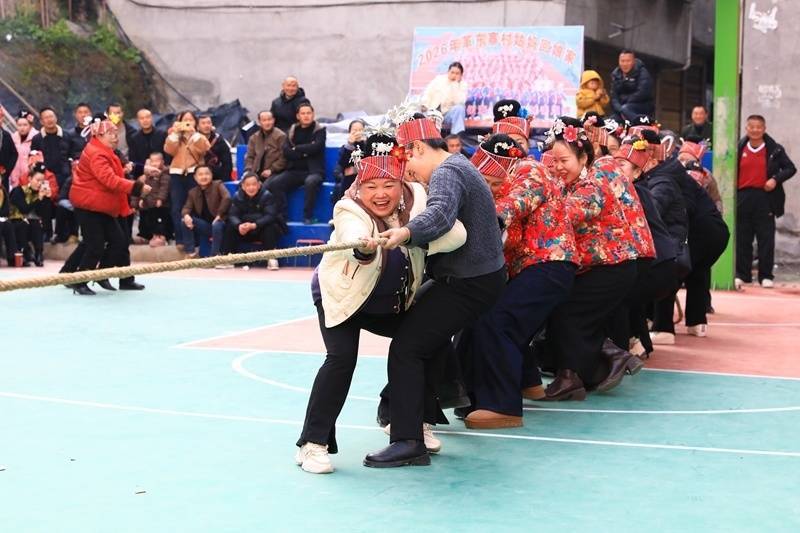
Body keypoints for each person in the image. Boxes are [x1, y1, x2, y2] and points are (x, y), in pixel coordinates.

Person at [295, 132, 467, 474]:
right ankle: (312, 444)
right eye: (371, 186)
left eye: (388, 184)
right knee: (341, 360)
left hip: (390, 302)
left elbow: (456, 234)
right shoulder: (348, 208)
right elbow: (350, 236)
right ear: (359, 186)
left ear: (401, 181)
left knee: (430, 341)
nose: (381, 194)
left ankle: (410, 420)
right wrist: (362, 247)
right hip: (344, 297)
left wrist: (416, 236)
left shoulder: (417, 198)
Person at [363, 112, 506, 468]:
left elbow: (440, 214)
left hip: (468, 282)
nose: (408, 171)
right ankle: (419, 421)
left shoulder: (447, 171)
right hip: (475, 277)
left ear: (417, 148)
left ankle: (408, 440)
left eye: (407, 160)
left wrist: (406, 232)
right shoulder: (460, 165)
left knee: (407, 348)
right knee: (422, 337)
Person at [457, 134, 577, 429]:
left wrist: (487, 219)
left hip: (548, 262)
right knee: (485, 317)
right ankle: (521, 384)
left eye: (492, 182)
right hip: (531, 267)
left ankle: (502, 406)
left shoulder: (527, 169)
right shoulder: (498, 190)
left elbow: (518, 201)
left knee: (499, 322)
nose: (489, 188)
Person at [540, 117, 639, 401]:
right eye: (554, 161)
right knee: (568, 313)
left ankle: (575, 374)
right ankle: (604, 362)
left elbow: (567, 214)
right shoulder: (569, 185)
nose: (559, 167)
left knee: (567, 312)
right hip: (600, 266)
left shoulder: (591, 186)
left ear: (583, 158)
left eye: (564, 160)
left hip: (612, 267)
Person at [67, 117, 150, 296]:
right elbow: (109, 180)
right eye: (110, 133)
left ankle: (101, 274)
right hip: (89, 205)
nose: (115, 136)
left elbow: (119, 172)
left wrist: (141, 172)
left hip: (101, 204)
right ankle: (79, 281)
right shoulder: (97, 153)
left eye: (115, 133)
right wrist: (137, 187)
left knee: (118, 241)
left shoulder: (104, 150)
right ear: (99, 135)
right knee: (95, 245)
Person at [735, 114, 796, 289]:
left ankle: (766, 276)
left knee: (766, 239)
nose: (755, 130)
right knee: (743, 239)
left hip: (765, 198)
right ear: (746, 128)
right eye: (751, 127)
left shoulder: (775, 149)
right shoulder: (739, 147)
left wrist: (775, 180)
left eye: (758, 127)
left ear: (764, 128)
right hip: (743, 197)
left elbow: (790, 168)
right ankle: (743, 275)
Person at [266, 103, 326, 225]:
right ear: (298, 116)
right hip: (294, 170)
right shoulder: (292, 131)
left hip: (313, 171)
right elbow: (286, 152)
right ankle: (282, 216)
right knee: (275, 184)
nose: (306, 116)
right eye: (303, 113)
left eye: (308, 113)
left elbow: (316, 147)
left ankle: (308, 216)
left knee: (311, 182)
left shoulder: (320, 130)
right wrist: (305, 152)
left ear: (313, 114)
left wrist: (297, 148)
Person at [164, 110, 211, 247]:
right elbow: (169, 150)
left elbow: (204, 149)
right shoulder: (174, 136)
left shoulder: (199, 136)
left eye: (190, 120)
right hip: (177, 173)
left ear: (195, 122)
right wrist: (175, 134)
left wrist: (193, 134)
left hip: (194, 173)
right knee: (176, 207)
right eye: (185, 120)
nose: (187, 122)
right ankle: (180, 239)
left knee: (195, 206)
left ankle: (195, 240)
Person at [225, 171, 286, 270]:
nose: (251, 188)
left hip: (260, 229)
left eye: (254, 184)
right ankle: (227, 257)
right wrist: (239, 225)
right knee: (230, 226)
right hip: (244, 230)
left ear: (259, 185)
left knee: (271, 226)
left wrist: (254, 225)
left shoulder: (267, 196)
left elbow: (270, 215)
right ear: (243, 186)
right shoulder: (237, 196)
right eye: (248, 185)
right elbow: (232, 215)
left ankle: (271, 257)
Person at [8, 163, 52, 267]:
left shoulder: (40, 194)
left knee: (36, 224)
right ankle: (25, 253)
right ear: (30, 179)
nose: (39, 184)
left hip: (32, 223)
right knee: (23, 224)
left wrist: (47, 199)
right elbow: (24, 209)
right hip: (15, 222)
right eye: (37, 180)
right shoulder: (18, 191)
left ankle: (39, 254)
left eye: (42, 181)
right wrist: (39, 199)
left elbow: (44, 214)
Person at [181, 165, 230, 258]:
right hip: (206, 225)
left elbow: (227, 197)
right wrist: (186, 215)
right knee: (184, 221)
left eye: (207, 174)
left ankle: (214, 256)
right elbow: (186, 207)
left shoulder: (218, 185)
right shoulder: (193, 192)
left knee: (216, 225)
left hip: (221, 222)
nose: (204, 177)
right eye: (200, 174)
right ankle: (190, 252)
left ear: (211, 175)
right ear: (195, 177)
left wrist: (219, 214)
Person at [133, 152, 171, 246]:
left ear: (162, 162)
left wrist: (160, 199)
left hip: (161, 205)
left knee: (161, 221)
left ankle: (162, 237)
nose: (154, 164)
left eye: (157, 161)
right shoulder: (148, 176)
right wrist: (142, 198)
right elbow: (145, 189)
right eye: (152, 161)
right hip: (150, 204)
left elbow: (164, 188)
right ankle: (154, 236)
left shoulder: (164, 175)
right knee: (151, 221)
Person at [421, 62, 468, 135]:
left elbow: (459, 102)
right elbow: (428, 93)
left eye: (457, 73)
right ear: (448, 72)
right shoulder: (439, 79)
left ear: (461, 75)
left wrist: (455, 84)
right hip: (432, 112)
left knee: (459, 108)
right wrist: (424, 104)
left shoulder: (462, 85)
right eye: (452, 72)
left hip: (447, 115)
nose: (454, 75)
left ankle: (456, 137)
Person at [30, 107, 71, 188]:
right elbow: (34, 160)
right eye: (46, 117)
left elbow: (71, 156)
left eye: (51, 116)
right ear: (41, 121)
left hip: (65, 177)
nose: (49, 120)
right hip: (45, 178)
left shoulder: (67, 136)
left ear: (56, 118)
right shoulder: (37, 139)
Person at [610, 50, 655, 122]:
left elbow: (643, 93)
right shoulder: (615, 75)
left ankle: (641, 123)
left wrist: (625, 102)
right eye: (622, 61)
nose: (625, 64)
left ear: (633, 61)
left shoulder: (642, 72)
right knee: (612, 120)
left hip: (641, 105)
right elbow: (614, 97)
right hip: (622, 108)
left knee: (626, 109)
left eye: (628, 61)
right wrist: (619, 109)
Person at [244, 111, 287, 181]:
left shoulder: (281, 136)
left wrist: (272, 169)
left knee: (266, 185)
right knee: (244, 184)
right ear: (259, 122)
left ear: (273, 120)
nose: (267, 123)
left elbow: (284, 157)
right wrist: (248, 170)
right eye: (264, 120)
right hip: (255, 173)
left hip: (275, 173)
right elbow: (250, 157)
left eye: (269, 120)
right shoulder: (254, 137)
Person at [331, 119, 366, 203]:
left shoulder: (368, 145)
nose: (358, 132)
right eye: (355, 130)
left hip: (365, 181)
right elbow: (343, 165)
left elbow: (367, 163)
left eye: (360, 130)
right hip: (349, 181)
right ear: (349, 132)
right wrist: (350, 144)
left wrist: (354, 170)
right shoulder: (346, 147)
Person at [197, 115, 233, 181]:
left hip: (217, 177)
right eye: (203, 123)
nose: (206, 125)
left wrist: (224, 180)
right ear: (198, 127)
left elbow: (227, 163)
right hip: (198, 176)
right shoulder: (194, 140)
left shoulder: (219, 140)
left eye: (208, 123)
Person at [10, 110, 36, 190]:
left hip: (30, 179)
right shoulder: (12, 138)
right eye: (19, 125)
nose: (22, 128)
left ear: (30, 125)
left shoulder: (37, 138)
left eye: (25, 125)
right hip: (13, 179)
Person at [0, 106, 19, 191]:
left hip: (2, 177)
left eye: (0, 117)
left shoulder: (6, 135)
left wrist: (6, 170)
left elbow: (14, 154)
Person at [0, 182, 18, 266]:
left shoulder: (2, 191)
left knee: (8, 225)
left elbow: (6, 210)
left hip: (1, 219)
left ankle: (12, 257)